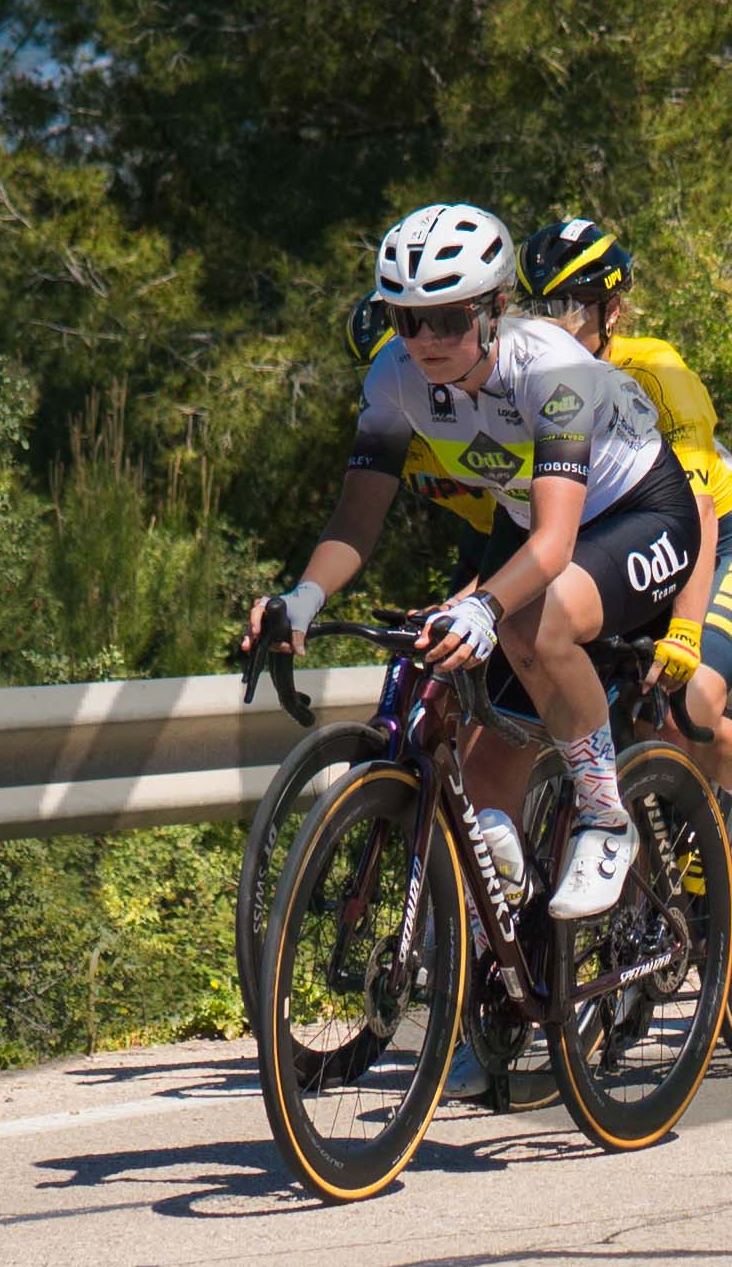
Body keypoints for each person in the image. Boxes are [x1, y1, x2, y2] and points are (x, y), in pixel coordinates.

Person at [243, 204, 701, 926]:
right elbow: (357, 521)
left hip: (639, 512)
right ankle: (493, 970)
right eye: (406, 318)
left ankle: (606, 816)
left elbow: (553, 546)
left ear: (496, 308)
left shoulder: (550, 368)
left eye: (449, 319)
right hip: (528, 519)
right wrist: (304, 595)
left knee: (531, 627)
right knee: (448, 695)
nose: (426, 340)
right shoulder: (394, 376)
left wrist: (486, 605)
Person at [534, 212, 732, 909]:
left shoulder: (654, 369)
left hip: (718, 536)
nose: (553, 324)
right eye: (539, 307)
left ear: (611, 309)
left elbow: (699, 508)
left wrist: (683, 627)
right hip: (623, 541)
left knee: (693, 703)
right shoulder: (525, 376)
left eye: (571, 309)